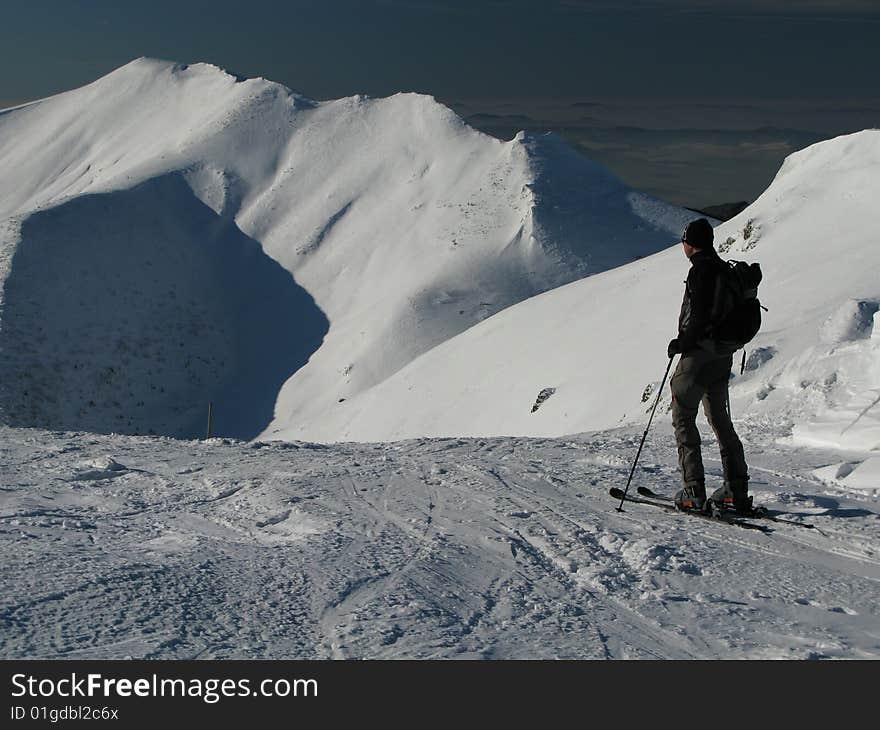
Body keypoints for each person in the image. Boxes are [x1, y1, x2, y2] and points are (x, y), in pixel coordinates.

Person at [667, 218, 751, 514]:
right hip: (723, 355)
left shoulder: (700, 272)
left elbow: (700, 314)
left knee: (683, 418)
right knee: (720, 420)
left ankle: (693, 490)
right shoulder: (725, 270)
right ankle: (735, 489)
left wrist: (682, 343)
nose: (683, 246)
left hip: (699, 355)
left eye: (685, 241)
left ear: (690, 244)